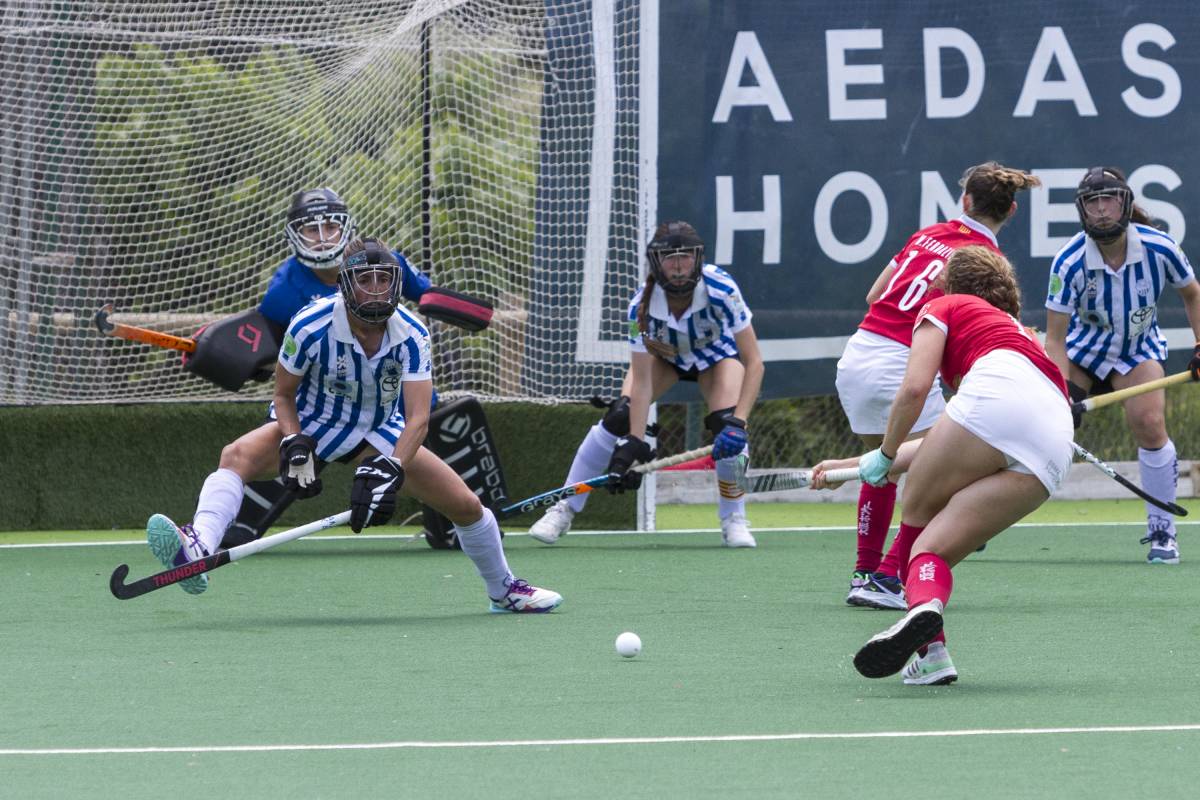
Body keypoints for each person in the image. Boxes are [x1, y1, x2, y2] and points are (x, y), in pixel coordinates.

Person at [144, 237, 562, 613]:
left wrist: (392, 466)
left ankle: (503, 590)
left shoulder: (412, 334)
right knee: (235, 456)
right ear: (346, 284)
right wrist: (293, 441)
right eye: (366, 280)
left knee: (468, 507)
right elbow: (283, 395)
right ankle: (199, 544)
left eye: (385, 279)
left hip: (380, 430)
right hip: (314, 421)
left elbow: (418, 417)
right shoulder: (309, 324)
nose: (377, 289)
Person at [819, 245, 1074, 685]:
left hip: (993, 405)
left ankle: (929, 641)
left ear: (951, 281)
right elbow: (951, 441)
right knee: (931, 551)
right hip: (1054, 443)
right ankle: (932, 655)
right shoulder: (1022, 333)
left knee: (916, 517)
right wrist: (858, 463)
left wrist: (885, 453)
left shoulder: (944, 306)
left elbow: (914, 389)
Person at [836, 162, 1041, 610]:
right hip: (900, 364)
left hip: (858, 355)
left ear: (965, 201)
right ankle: (894, 574)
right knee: (954, 466)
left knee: (885, 468)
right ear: (1011, 210)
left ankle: (865, 573)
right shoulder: (986, 261)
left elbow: (874, 296)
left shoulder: (925, 234)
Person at [527, 220, 764, 548]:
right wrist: (633, 444)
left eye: (685, 257)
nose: (678, 267)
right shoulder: (639, 307)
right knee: (619, 417)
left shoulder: (722, 289)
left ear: (698, 258)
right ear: (656, 262)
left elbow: (754, 362)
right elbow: (640, 381)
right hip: (666, 358)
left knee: (728, 426)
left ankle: (734, 519)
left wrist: (740, 422)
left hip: (717, 358)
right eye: (670, 258)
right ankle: (563, 507)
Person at [1045, 166, 1200, 566]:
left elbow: (1193, 294)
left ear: (1125, 203)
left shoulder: (1160, 247)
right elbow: (1056, 339)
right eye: (1092, 202)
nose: (1101, 210)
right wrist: (1058, 391)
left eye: (1108, 200)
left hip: (1137, 351)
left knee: (1149, 423)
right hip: (1082, 354)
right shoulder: (1068, 262)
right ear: (1082, 209)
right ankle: (981, 517)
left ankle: (1162, 531)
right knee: (1042, 430)